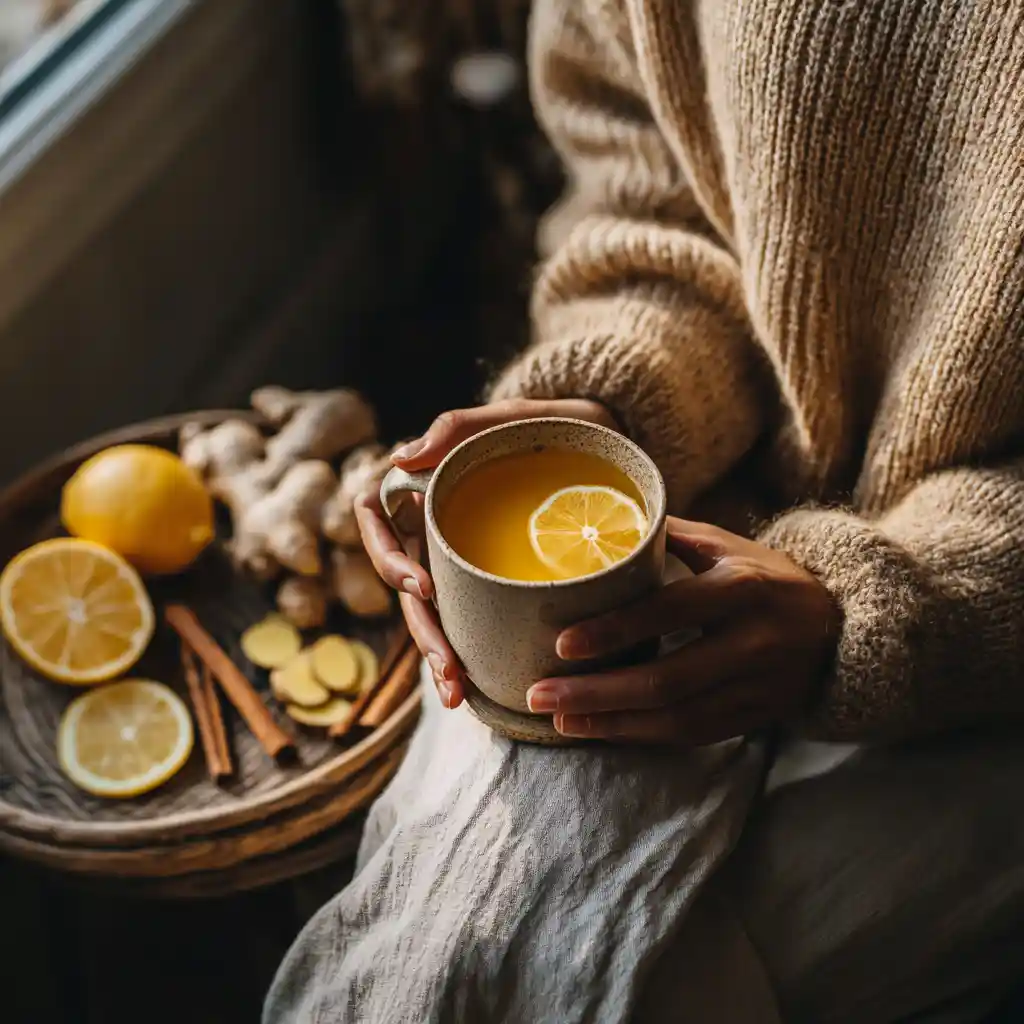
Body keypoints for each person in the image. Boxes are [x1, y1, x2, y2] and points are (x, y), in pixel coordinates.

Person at [265, 1, 1024, 1021]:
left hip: (983, 653)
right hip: (671, 536)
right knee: (426, 966)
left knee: (649, 987)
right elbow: (656, 198)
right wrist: (608, 408)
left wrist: (886, 611)